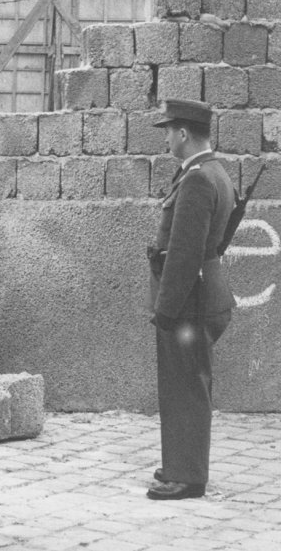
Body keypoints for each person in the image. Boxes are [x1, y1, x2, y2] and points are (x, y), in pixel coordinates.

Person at [146, 98, 235, 501]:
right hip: (204, 293)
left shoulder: (197, 178)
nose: (165, 138)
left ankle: (188, 476)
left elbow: (184, 253)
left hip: (189, 300)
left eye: (167, 130)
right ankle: (183, 463)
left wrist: (165, 309)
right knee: (189, 382)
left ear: (183, 134)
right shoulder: (214, 172)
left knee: (184, 385)